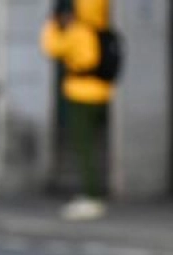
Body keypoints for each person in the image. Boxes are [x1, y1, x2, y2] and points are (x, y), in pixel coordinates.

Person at [41, 0, 115, 221]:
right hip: (103, 93)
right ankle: (96, 192)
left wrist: (51, 24)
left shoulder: (79, 31)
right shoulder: (100, 28)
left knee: (84, 148)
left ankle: (91, 197)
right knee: (95, 146)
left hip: (82, 94)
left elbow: (52, 47)